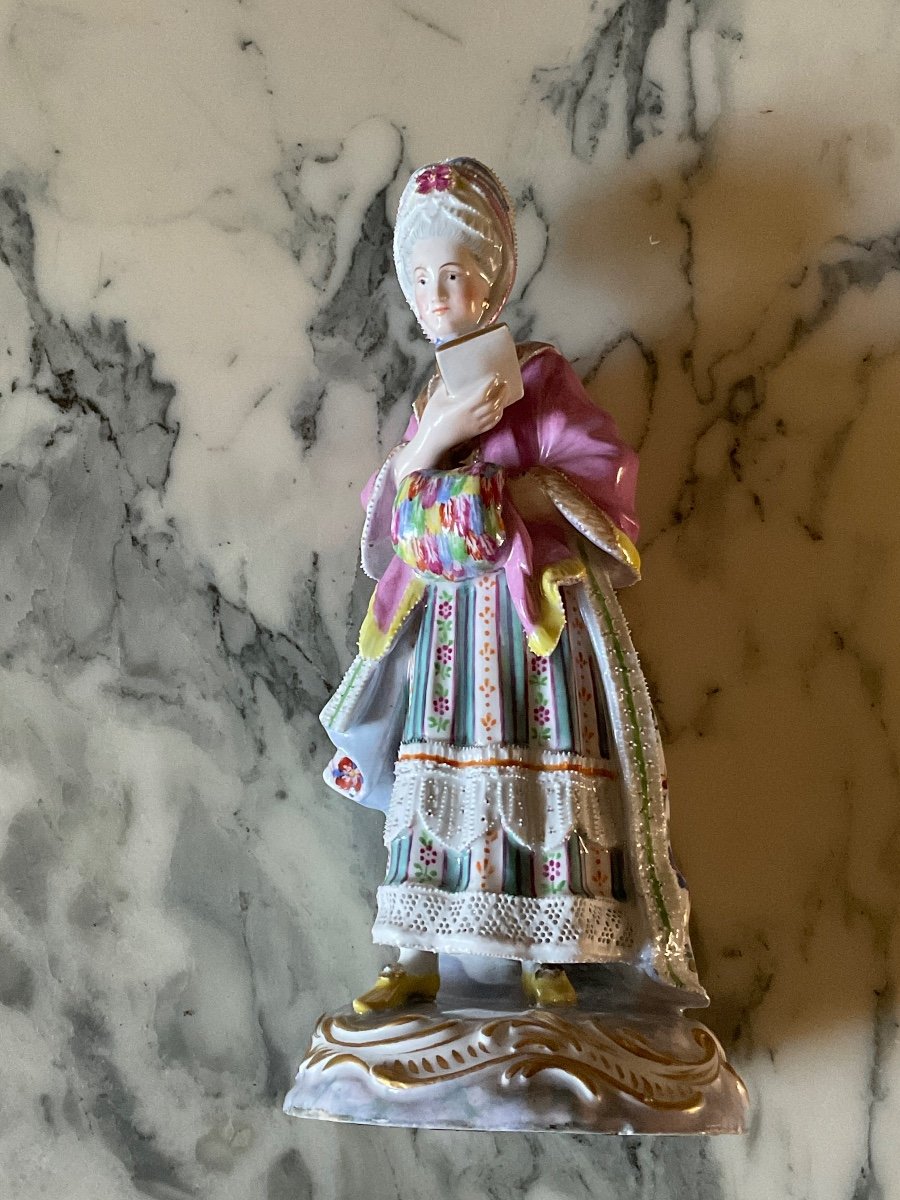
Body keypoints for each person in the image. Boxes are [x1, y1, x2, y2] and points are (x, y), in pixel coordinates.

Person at [321, 158, 706, 1013]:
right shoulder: (435, 392)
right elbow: (390, 509)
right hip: (446, 619)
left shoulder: (536, 376)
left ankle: (548, 947)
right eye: (420, 281)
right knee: (440, 768)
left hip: (523, 615)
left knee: (531, 762)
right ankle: (418, 948)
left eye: (451, 278)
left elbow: (596, 469)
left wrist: (511, 492)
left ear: (490, 281)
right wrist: (434, 445)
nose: (434, 298)